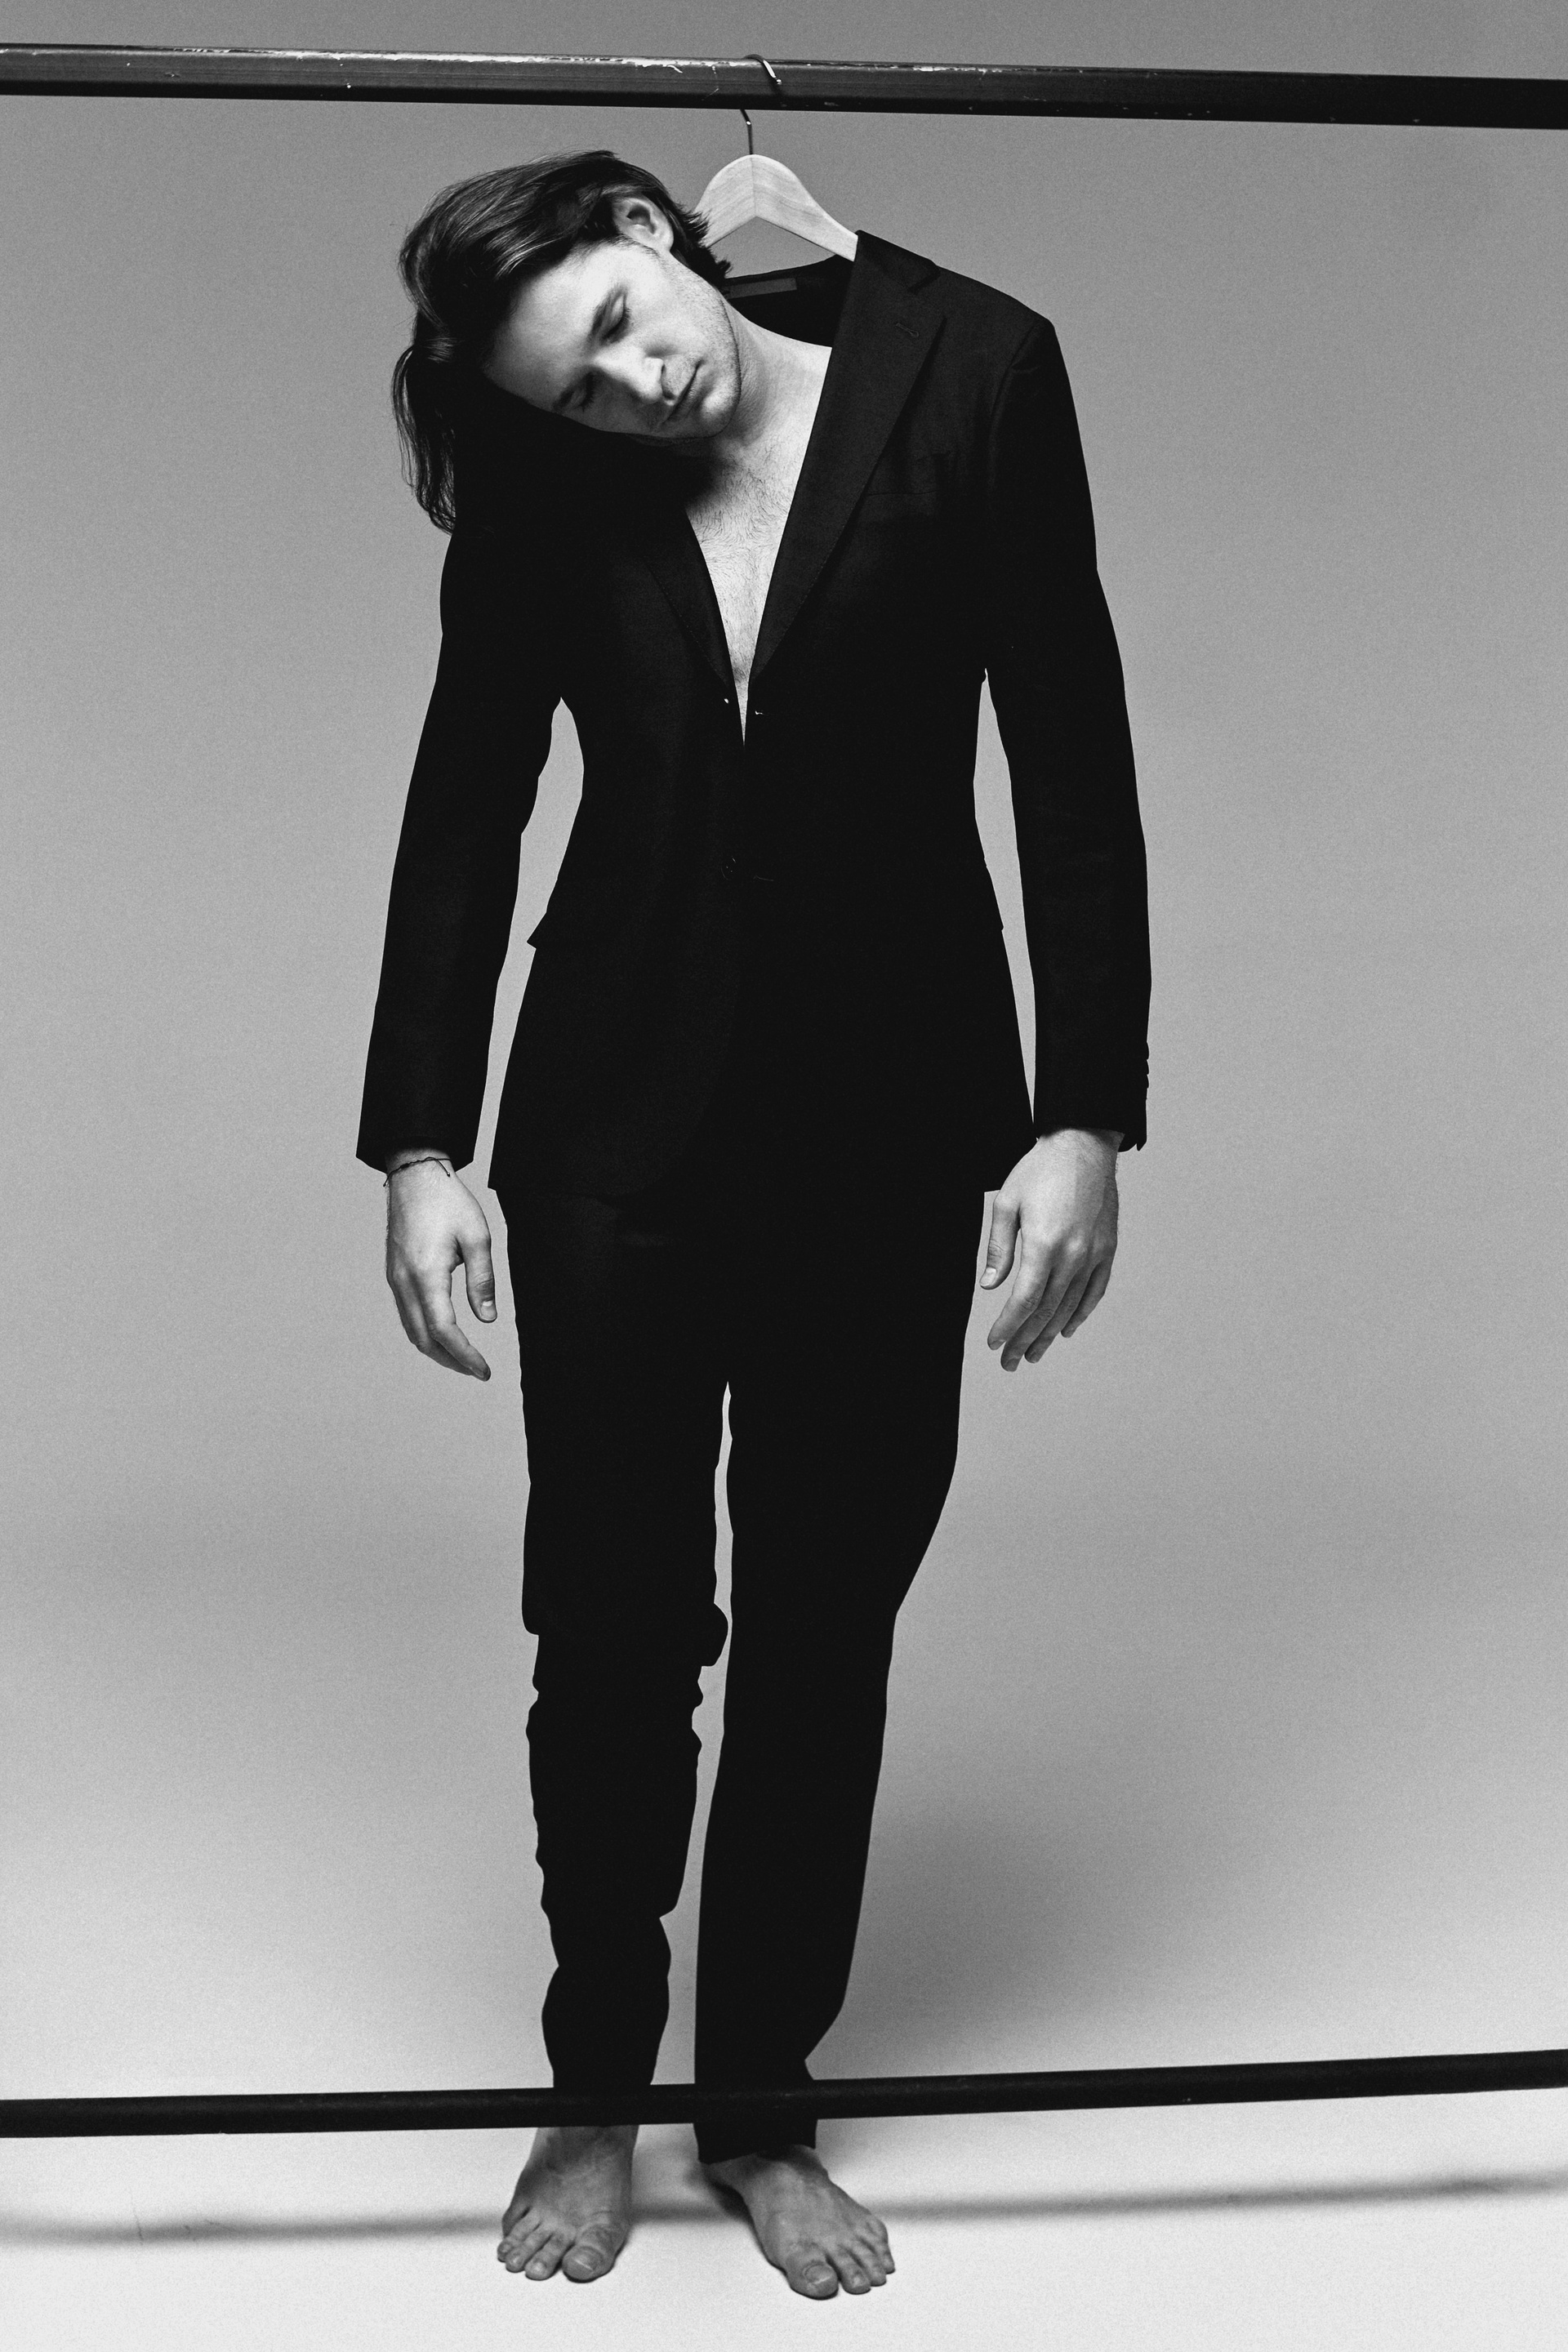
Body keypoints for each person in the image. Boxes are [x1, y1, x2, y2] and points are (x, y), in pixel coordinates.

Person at [357, 149, 1150, 2300]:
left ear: (653, 228)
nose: (634, 387)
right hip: (612, 1122)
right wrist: (421, 1145)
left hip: (892, 1116)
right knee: (612, 1633)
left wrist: (1085, 1113)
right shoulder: (547, 472)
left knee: (822, 1630)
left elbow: (1068, 747)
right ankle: (595, 2089)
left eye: (624, 329)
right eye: (579, 393)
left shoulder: (977, 370)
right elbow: (467, 794)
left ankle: (760, 2108)